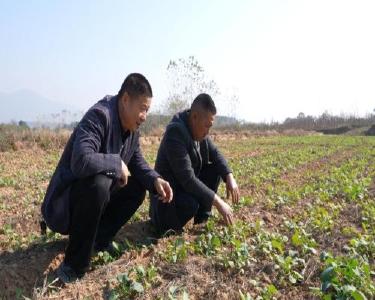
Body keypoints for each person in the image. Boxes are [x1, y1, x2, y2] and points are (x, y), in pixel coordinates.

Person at [41, 73, 173, 283]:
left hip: (93, 202)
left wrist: (155, 179)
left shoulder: (131, 130)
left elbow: (137, 163)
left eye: (147, 110)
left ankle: (99, 240)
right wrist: (116, 163)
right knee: (99, 183)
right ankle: (74, 266)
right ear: (126, 100)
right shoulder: (99, 116)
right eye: (142, 108)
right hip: (64, 205)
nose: (144, 116)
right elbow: (81, 160)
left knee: (138, 186)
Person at [149, 93, 239, 234]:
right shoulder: (176, 132)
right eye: (206, 126)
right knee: (190, 203)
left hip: (182, 190)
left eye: (210, 126)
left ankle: (202, 220)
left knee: (215, 170)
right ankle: (169, 229)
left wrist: (229, 175)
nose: (208, 132)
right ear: (195, 117)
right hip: (167, 201)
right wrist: (219, 202)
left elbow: (216, 154)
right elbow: (188, 179)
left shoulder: (198, 130)